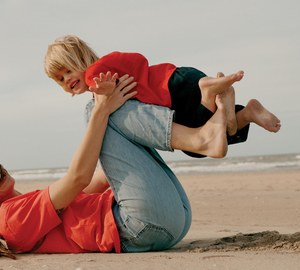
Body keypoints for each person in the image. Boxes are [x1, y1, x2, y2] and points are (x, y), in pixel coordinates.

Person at [1, 74, 234, 259]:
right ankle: (201, 139)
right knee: (94, 109)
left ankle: (207, 119)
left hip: (165, 221)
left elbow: (98, 180)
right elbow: (78, 178)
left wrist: (124, 130)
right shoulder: (7, 217)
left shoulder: (22, 206)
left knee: (108, 110)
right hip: (140, 225)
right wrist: (101, 109)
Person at [44, 35, 282, 158]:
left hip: (172, 92)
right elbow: (137, 59)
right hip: (182, 78)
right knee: (213, 136)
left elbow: (106, 89)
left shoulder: (95, 76)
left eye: (68, 70)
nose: (67, 79)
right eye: (60, 79)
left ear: (82, 61)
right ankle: (242, 110)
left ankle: (213, 92)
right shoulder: (111, 64)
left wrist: (105, 91)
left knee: (197, 145)